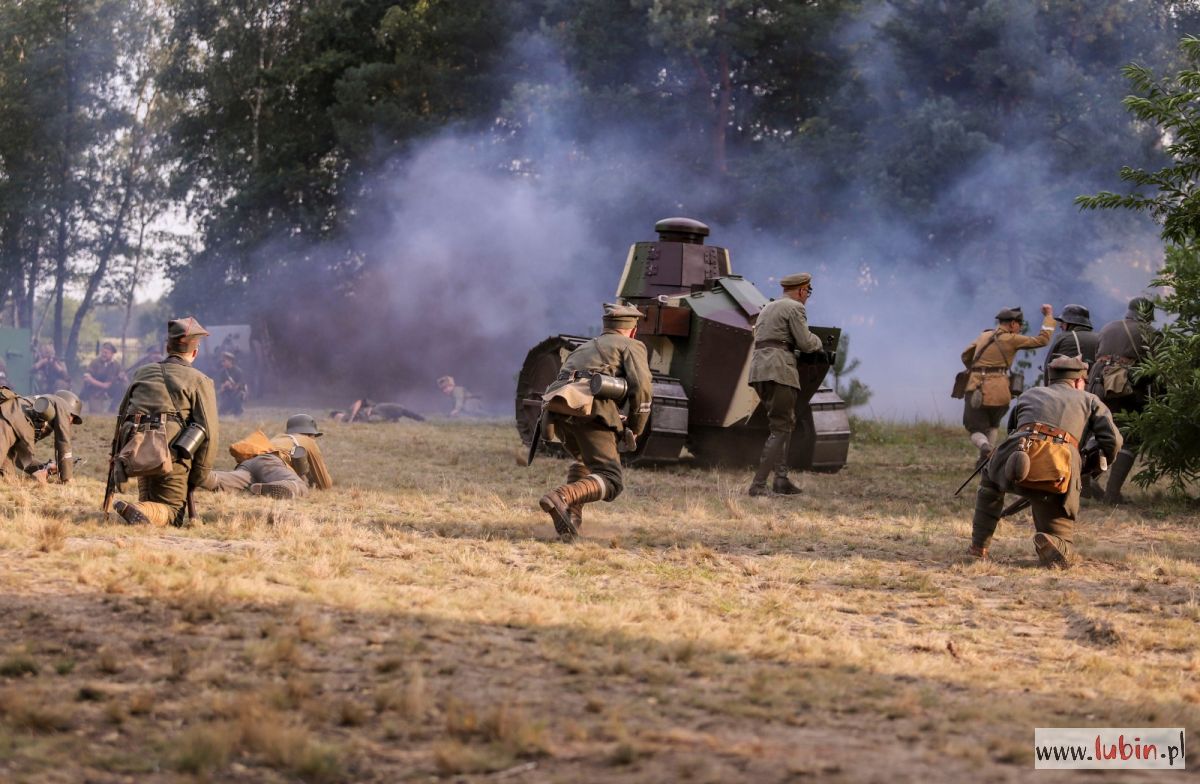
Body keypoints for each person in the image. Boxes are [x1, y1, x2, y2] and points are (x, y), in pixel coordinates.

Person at [968, 356, 1122, 567]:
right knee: (1063, 544)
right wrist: (1097, 466)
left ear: (1051, 378)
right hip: (1056, 470)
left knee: (990, 482)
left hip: (1015, 456)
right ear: (1078, 381)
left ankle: (979, 546)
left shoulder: (1029, 394)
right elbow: (1112, 441)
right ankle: (1052, 541)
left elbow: (1012, 429)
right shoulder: (1090, 399)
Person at [537, 302, 652, 541]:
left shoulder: (584, 347)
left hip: (559, 409)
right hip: (590, 409)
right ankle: (562, 497)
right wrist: (635, 426)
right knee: (611, 479)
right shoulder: (631, 344)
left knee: (585, 463)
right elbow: (641, 389)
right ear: (632, 329)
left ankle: (571, 518)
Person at [111, 318, 219, 527]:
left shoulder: (142, 372)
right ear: (194, 352)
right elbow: (209, 432)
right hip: (172, 456)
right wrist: (199, 476)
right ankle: (141, 510)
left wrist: (118, 459)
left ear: (167, 347)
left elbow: (122, 413)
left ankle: (142, 509)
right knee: (172, 514)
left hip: (137, 451)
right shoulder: (199, 380)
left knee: (152, 500)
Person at [745, 272, 823, 496]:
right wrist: (820, 341)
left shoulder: (767, 308)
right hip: (780, 371)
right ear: (801, 290)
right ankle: (758, 486)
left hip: (760, 371)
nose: (807, 296)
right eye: (807, 292)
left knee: (783, 424)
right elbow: (807, 343)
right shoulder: (795, 308)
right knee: (781, 428)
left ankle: (781, 480)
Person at [1086, 296, 1159, 504]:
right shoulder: (1150, 333)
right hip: (1127, 390)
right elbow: (1157, 367)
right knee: (1131, 438)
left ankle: (1085, 477)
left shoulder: (1108, 327)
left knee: (1099, 431)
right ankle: (1112, 494)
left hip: (1098, 384)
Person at [960, 305, 1054, 463]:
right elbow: (1043, 339)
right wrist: (1049, 316)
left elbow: (966, 356)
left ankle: (984, 447)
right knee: (993, 425)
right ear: (1012, 324)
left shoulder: (984, 336)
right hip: (1000, 391)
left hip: (976, 387)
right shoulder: (1013, 339)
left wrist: (977, 369)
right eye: (1019, 324)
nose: (1020, 328)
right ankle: (987, 458)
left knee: (974, 428)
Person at [0, 388, 82, 483]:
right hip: (7, 420)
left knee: (6, 477)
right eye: (73, 417)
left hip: (8, 420)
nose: (71, 422)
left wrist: (45, 468)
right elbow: (63, 442)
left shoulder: (38, 419)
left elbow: (21, 457)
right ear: (69, 411)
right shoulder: (62, 404)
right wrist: (67, 477)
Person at [1041, 304, 1099, 381]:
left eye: (1063, 322)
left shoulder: (1063, 337)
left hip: (1068, 388)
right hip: (1094, 389)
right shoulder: (1100, 338)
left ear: (1071, 322)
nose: (1060, 326)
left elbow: (1048, 367)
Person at [81, 342, 126, 413]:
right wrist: (101, 384)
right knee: (96, 413)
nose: (103, 354)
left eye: (106, 353)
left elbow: (125, 380)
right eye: (102, 352)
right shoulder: (95, 362)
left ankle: (112, 408)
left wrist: (123, 377)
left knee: (122, 386)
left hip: (109, 391)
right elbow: (86, 377)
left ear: (112, 354)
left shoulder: (116, 365)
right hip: (95, 391)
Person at [335, 398, 424, 423]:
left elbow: (360, 401)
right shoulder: (347, 423)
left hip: (377, 409)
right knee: (394, 416)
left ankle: (423, 420)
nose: (338, 418)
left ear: (340, 413)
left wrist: (352, 416)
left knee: (400, 409)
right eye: (336, 418)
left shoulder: (350, 412)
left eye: (337, 416)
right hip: (376, 417)